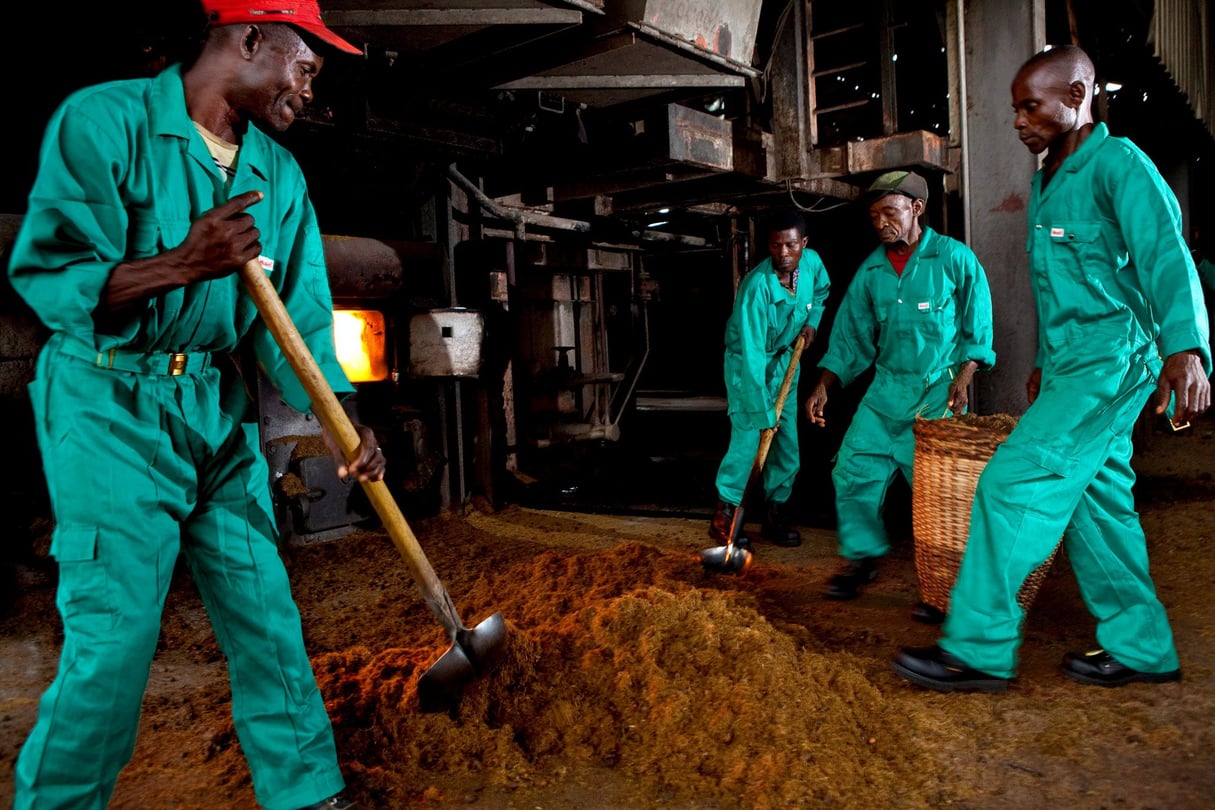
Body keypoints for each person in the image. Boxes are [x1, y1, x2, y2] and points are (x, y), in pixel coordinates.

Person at [7, 2, 378, 808]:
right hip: (108, 399)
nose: (307, 92)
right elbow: (51, 278)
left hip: (215, 402)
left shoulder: (277, 174)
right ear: (248, 37)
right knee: (115, 639)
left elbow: (300, 322)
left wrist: (344, 422)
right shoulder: (105, 121)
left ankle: (307, 791)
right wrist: (182, 262)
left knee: (266, 613)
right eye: (303, 68)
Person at [892, 44, 1211, 692]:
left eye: (1028, 106)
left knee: (1013, 482)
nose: (1016, 121)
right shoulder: (1047, 182)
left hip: (1110, 359)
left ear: (1075, 96)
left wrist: (1185, 349)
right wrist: (1040, 362)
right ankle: (1141, 647)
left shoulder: (1117, 165)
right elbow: (1052, 285)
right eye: (1013, 109)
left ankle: (975, 650)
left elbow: (1164, 256)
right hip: (1070, 365)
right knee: (1097, 504)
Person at [804, 171, 995, 612]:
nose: (881, 222)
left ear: (916, 209)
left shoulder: (954, 259)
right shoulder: (871, 270)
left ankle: (946, 586)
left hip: (936, 394)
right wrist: (824, 385)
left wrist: (965, 376)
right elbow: (851, 337)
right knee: (851, 474)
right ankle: (862, 558)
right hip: (885, 392)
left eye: (890, 211)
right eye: (874, 216)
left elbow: (977, 325)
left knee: (936, 495)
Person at [710, 208, 830, 548]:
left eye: (791, 245)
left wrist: (812, 324)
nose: (784, 254)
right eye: (776, 246)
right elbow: (750, 355)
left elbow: (820, 293)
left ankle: (776, 513)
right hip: (748, 367)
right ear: (769, 245)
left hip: (785, 365)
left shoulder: (812, 264)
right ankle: (725, 516)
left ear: (803, 243)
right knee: (749, 443)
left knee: (787, 443)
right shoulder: (756, 289)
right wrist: (763, 413)